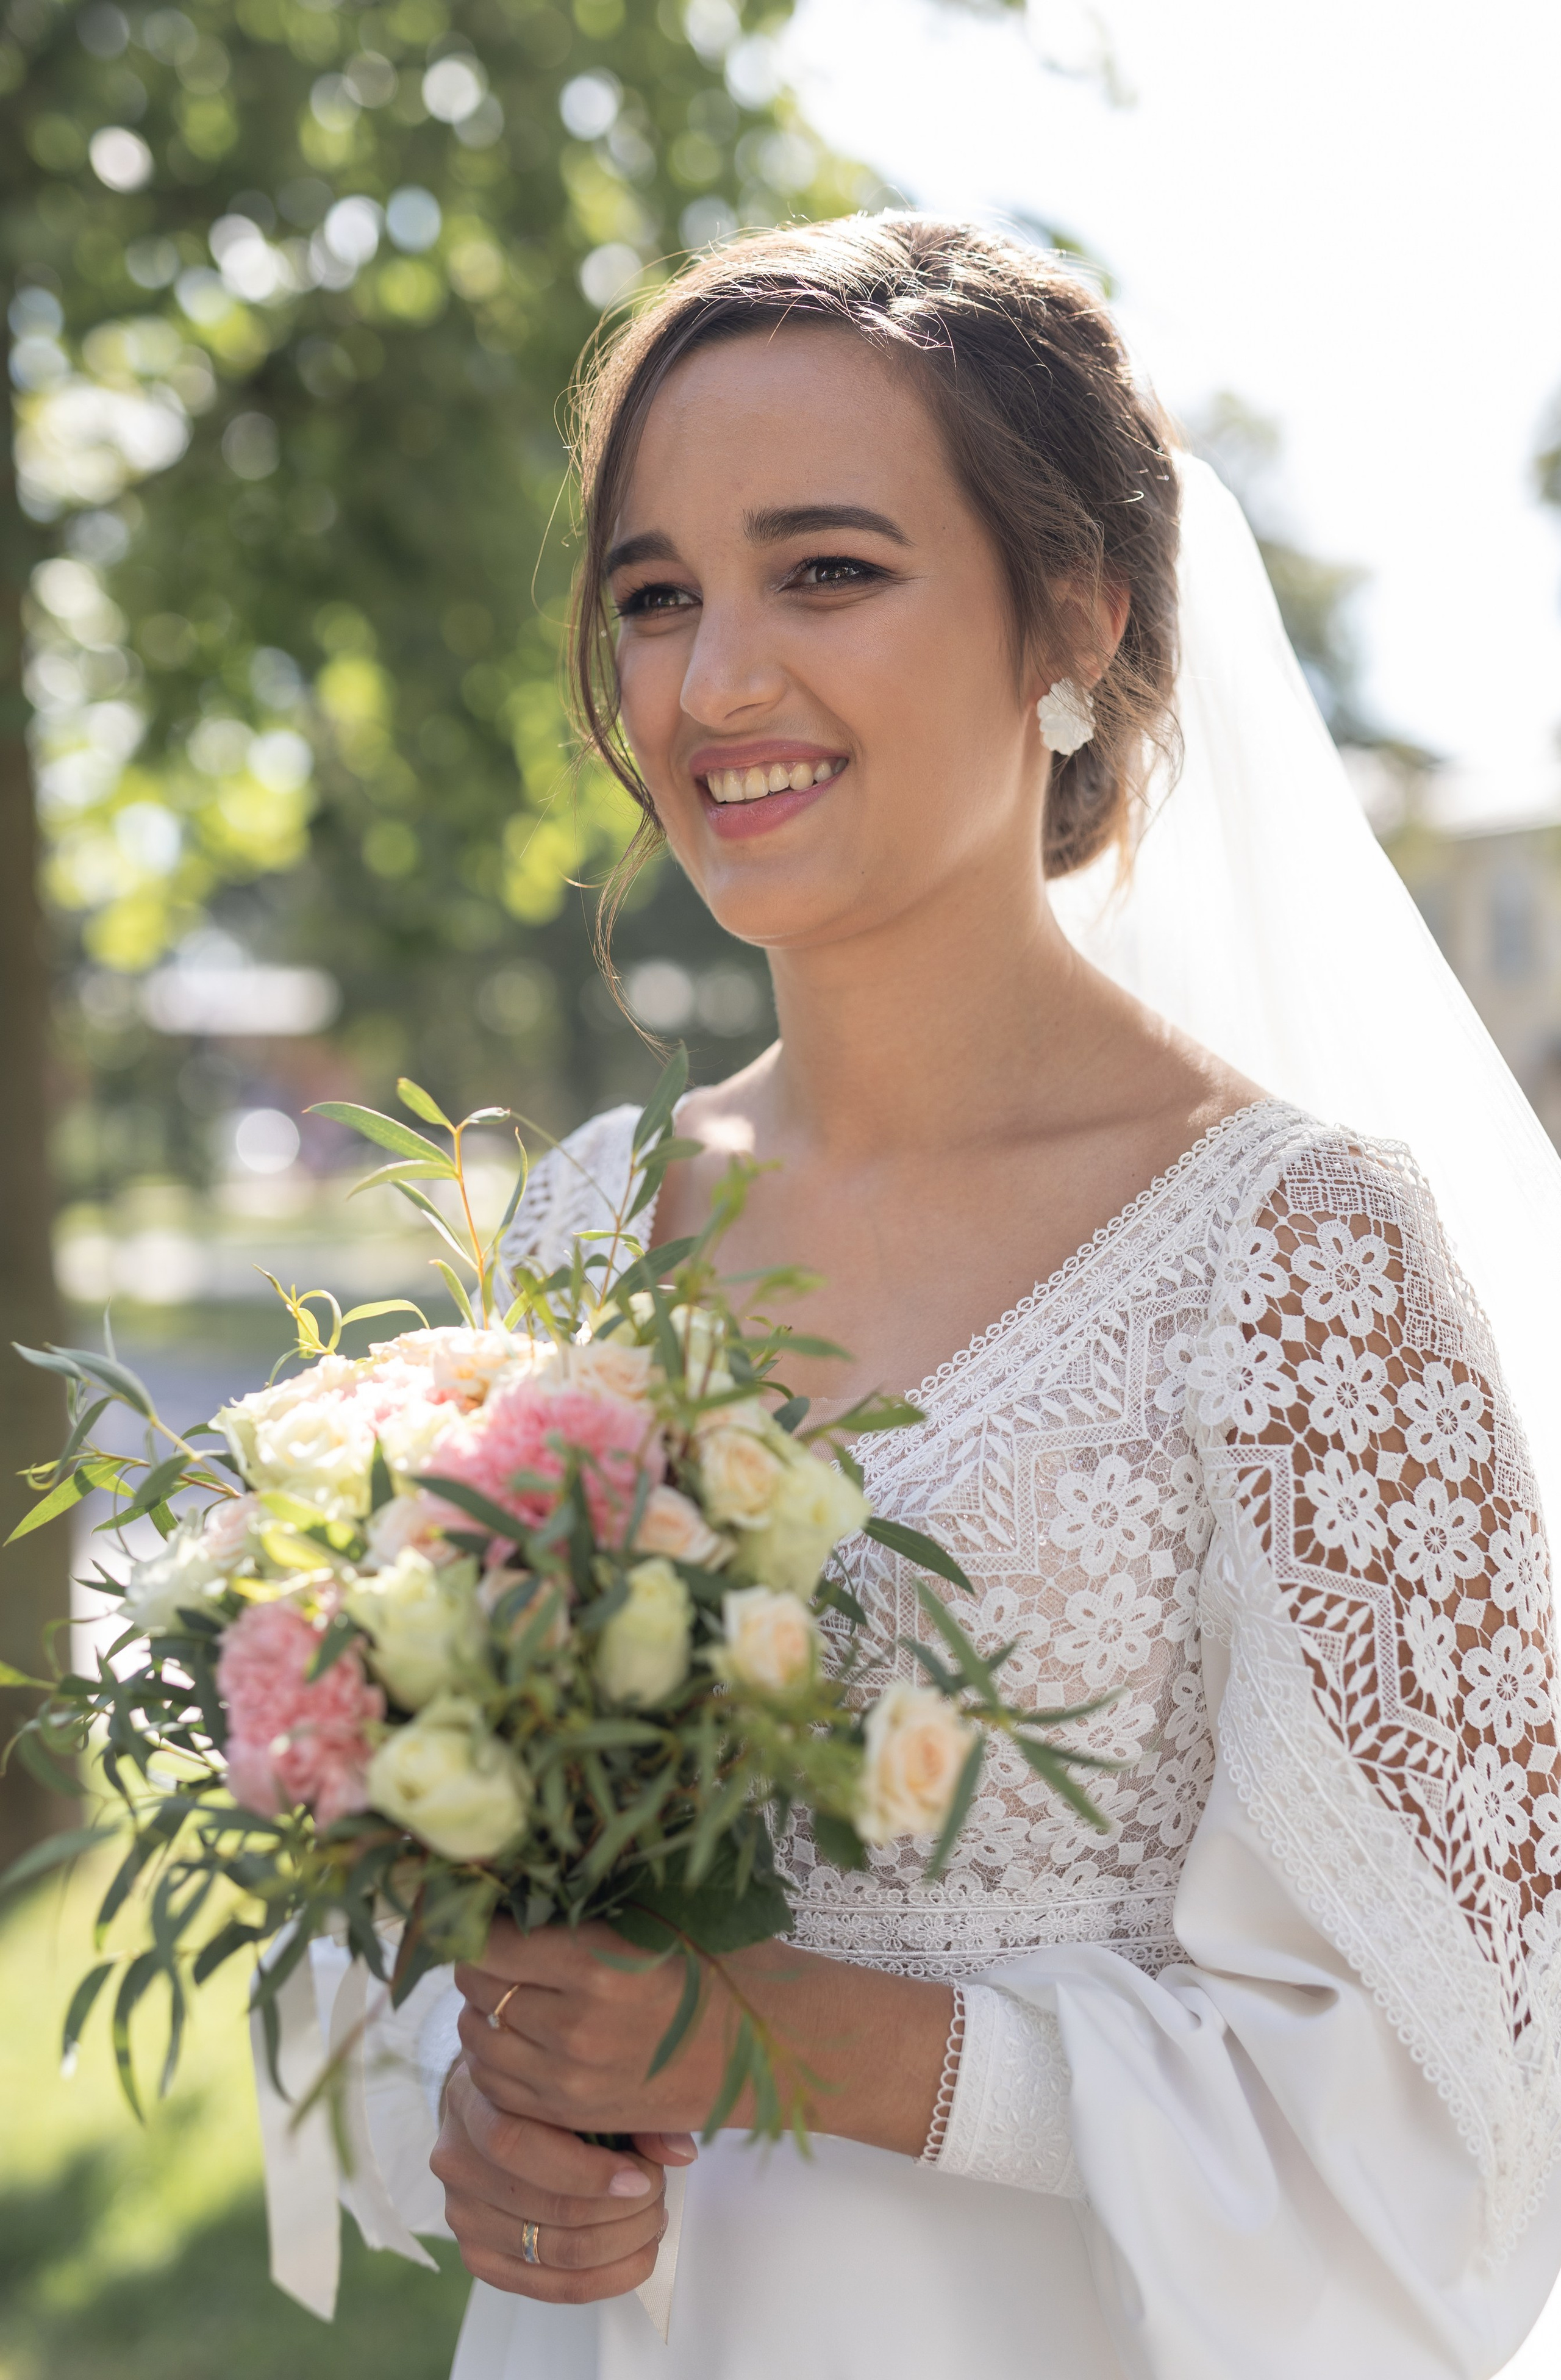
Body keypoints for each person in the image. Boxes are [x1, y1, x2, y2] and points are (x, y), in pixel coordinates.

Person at [292, 215, 1561, 2379]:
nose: (712, 687)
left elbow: (1471, 2094)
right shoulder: (581, 1239)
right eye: (656, 596)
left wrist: (825, 2044)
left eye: (829, 571)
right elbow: (420, 1923)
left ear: (1079, 615)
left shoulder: (1304, 1267)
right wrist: (472, 2111)